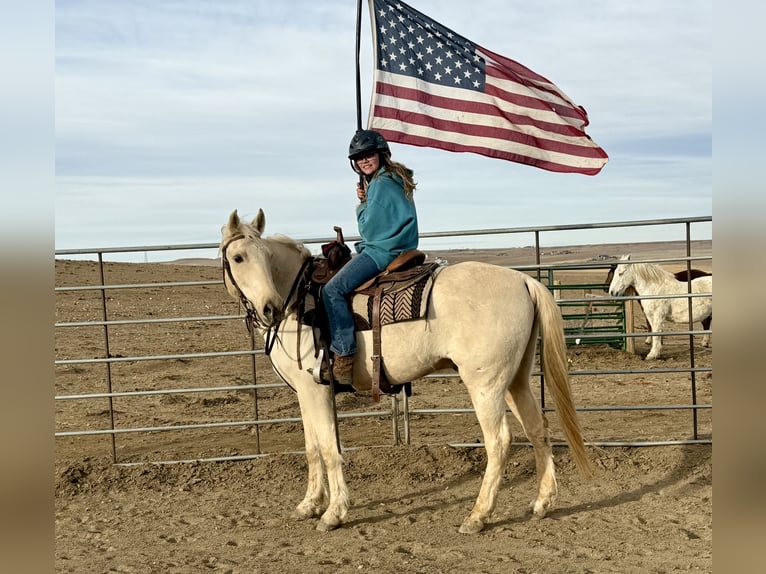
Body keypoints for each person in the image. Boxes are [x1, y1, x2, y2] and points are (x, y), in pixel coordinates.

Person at [322, 129, 419, 385]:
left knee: (332, 290)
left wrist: (362, 205)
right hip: (403, 245)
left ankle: (343, 354)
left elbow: (369, 228)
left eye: (369, 155)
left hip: (383, 250)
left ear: (381, 154)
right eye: (359, 157)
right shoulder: (395, 178)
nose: (364, 160)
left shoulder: (380, 183)